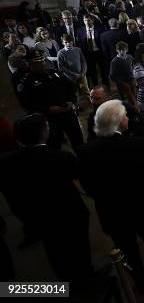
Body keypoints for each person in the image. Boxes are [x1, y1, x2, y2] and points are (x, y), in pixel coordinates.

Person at [77, 100, 144, 282]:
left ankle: (138, 277)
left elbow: (87, 185)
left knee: (126, 248)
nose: (129, 118)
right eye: (125, 116)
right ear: (119, 121)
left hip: (111, 212)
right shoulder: (137, 146)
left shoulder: (85, 151)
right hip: (142, 208)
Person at [0, 114, 93, 282]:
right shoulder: (62, 158)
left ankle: (65, 280)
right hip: (68, 212)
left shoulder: (7, 162)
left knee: (53, 249)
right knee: (79, 247)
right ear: (44, 133)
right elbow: (80, 175)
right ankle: (86, 277)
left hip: (38, 215)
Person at [57, 33, 89, 107]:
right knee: (74, 93)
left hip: (81, 75)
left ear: (73, 41)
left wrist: (83, 72)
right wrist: (74, 74)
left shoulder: (78, 50)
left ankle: (92, 104)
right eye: (66, 42)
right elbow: (61, 67)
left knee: (86, 91)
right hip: (70, 78)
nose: (68, 44)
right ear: (62, 43)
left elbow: (83, 61)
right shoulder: (61, 53)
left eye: (70, 41)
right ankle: (77, 108)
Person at [77, 13, 108, 87]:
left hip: (99, 53)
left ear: (92, 20)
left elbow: (104, 42)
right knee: (92, 73)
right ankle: (96, 88)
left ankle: (106, 88)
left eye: (88, 20)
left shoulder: (100, 29)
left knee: (103, 72)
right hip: (89, 54)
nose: (87, 22)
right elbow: (80, 44)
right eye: (85, 20)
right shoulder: (80, 30)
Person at [110, 41, 137, 106]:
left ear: (127, 50)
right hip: (123, 83)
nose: (122, 52)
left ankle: (135, 108)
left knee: (134, 96)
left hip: (132, 80)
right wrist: (121, 83)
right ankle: (134, 109)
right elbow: (112, 75)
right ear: (117, 50)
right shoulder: (114, 61)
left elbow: (133, 66)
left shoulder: (130, 57)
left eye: (123, 50)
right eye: (120, 50)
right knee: (129, 97)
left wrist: (134, 76)